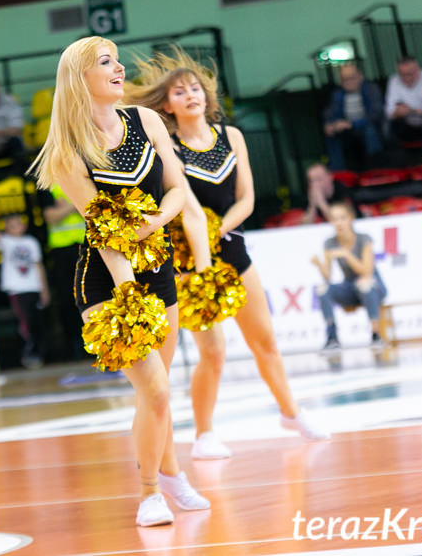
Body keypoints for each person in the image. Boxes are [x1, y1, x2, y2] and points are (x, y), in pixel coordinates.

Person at [30, 36, 213, 526]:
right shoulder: (69, 149)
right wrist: (129, 291)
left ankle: (171, 474)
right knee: (153, 388)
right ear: (80, 78)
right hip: (108, 280)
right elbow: (103, 229)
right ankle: (150, 491)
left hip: (159, 267)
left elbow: (177, 188)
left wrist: (154, 225)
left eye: (116, 59)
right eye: (105, 62)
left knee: (159, 390)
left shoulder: (146, 120)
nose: (119, 67)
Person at [126, 47, 330, 461]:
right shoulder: (171, 149)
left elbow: (247, 198)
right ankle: (204, 433)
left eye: (195, 88)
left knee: (265, 341)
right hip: (190, 260)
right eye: (179, 92)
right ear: (167, 104)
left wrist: (222, 230)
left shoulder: (231, 136)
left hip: (232, 248)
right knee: (213, 353)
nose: (190, 95)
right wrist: (204, 254)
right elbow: (187, 209)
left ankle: (291, 412)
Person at [0, 201, 49, 368]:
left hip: (33, 287)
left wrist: (44, 289)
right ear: (6, 227)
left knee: (37, 322)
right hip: (17, 289)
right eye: (12, 224)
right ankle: (29, 354)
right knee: (25, 323)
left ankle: (38, 353)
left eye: (18, 223)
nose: (16, 227)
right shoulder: (6, 242)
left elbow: (39, 266)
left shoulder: (32, 242)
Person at [311, 202, 387, 350]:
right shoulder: (329, 243)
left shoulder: (364, 239)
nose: (338, 223)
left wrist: (347, 254)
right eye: (334, 219)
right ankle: (332, 337)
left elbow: (366, 271)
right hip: (350, 287)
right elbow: (327, 276)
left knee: (365, 284)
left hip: (373, 285)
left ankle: (376, 335)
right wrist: (319, 264)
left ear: (350, 218)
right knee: (322, 289)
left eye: (342, 218)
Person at [42, 185, 88, 360]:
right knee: (67, 299)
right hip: (61, 250)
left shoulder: (80, 175)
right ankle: (75, 345)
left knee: (90, 296)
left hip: (85, 245)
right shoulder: (47, 185)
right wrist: (74, 204)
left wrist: (64, 207)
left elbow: (91, 208)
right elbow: (51, 217)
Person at [323, 63, 384, 171]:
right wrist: (330, 125)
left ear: (360, 77)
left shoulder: (371, 89)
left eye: (351, 78)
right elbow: (330, 113)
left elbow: (376, 114)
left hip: (368, 126)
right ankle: (339, 171)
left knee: (369, 131)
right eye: (344, 79)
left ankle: (376, 169)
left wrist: (352, 124)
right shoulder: (337, 94)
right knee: (331, 133)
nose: (348, 82)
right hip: (347, 130)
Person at [385, 56, 422, 144]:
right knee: (388, 125)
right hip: (404, 122)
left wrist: (410, 111)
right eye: (403, 74)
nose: (407, 77)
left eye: (411, 73)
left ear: (418, 69)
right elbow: (389, 110)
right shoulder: (394, 80)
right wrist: (397, 112)